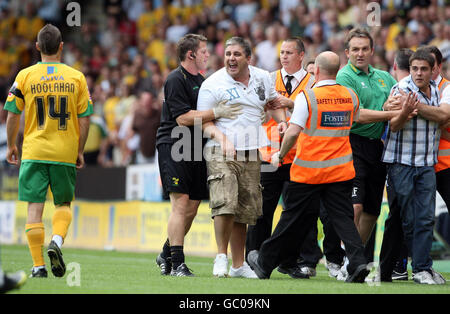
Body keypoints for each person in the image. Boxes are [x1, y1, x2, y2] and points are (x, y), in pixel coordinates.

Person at [247, 51, 372, 283]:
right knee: (343, 218)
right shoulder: (350, 95)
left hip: (309, 172)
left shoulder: (308, 97)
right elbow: (359, 117)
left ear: (315, 70)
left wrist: (280, 154)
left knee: (291, 217)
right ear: (337, 70)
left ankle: (264, 263)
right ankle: (357, 262)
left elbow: (293, 131)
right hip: (340, 171)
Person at [4, 24, 93, 278]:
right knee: (63, 203)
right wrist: (79, 150)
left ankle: (38, 266)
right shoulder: (76, 77)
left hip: (34, 150)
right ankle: (57, 240)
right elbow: (85, 118)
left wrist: (12, 144)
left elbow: (11, 114)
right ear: (61, 47)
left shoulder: (25, 76)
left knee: (34, 207)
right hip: (64, 151)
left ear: (37, 47)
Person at [197, 36, 287, 278]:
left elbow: (274, 103)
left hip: (252, 150)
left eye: (237, 54)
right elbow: (203, 121)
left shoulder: (263, 77)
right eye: (228, 54)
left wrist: (281, 122)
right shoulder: (212, 83)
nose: (231, 59)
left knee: (245, 210)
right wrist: (223, 139)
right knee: (225, 202)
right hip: (220, 149)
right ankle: (220, 257)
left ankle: (238, 265)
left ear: (249, 58)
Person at [154, 34, 242, 277]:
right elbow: (182, 118)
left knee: (192, 207)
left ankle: (166, 253)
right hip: (174, 144)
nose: (208, 55)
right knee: (180, 203)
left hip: (195, 145)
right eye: (204, 51)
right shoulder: (175, 79)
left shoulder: (203, 81)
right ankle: (178, 264)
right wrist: (215, 111)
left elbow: (208, 117)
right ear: (191, 54)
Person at [246, 37, 319, 277]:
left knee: (297, 212)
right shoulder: (268, 79)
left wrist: (289, 105)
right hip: (269, 155)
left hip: (300, 156)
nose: (284, 56)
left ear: (301, 55)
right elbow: (258, 110)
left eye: (289, 52)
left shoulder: (313, 82)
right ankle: (252, 257)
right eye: (282, 52)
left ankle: (290, 260)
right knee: (262, 210)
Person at [381, 48, 448, 285]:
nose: (418, 73)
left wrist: (416, 107)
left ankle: (420, 268)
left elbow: (442, 116)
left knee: (425, 218)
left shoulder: (438, 92)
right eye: (414, 68)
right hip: (401, 163)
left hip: (426, 165)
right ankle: (416, 267)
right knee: (408, 218)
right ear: (409, 69)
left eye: (423, 69)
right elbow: (395, 126)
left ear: (433, 71)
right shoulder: (400, 89)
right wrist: (405, 111)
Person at [336, 28, 398, 263]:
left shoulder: (384, 76)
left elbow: (399, 95)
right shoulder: (345, 77)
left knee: (373, 210)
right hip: (352, 144)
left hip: (379, 147)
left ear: (372, 51)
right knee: (356, 206)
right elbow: (357, 115)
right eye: (355, 49)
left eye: (364, 49)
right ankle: (347, 258)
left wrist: (396, 103)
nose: (360, 53)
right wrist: (387, 111)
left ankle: (353, 260)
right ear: (347, 52)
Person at [378, 48, 414, 282]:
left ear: (394, 67)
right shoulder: (400, 91)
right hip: (411, 162)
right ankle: (395, 265)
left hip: (392, 159)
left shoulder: (394, 90)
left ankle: (395, 265)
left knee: (399, 214)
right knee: (403, 215)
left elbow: (384, 129)